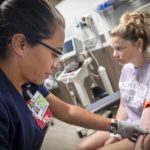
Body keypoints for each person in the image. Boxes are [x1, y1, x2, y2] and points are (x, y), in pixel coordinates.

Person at [0, 1, 147, 150]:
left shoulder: (29, 85)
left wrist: (117, 126)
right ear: (21, 45)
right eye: (54, 53)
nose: (57, 65)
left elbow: (68, 112)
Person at [77, 10, 150, 150]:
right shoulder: (127, 69)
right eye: (113, 49)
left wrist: (139, 145)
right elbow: (123, 106)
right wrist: (114, 135)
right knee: (82, 147)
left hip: (145, 130)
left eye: (119, 49)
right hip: (130, 124)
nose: (114, 54)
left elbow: (147, 119)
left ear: (138, 44)